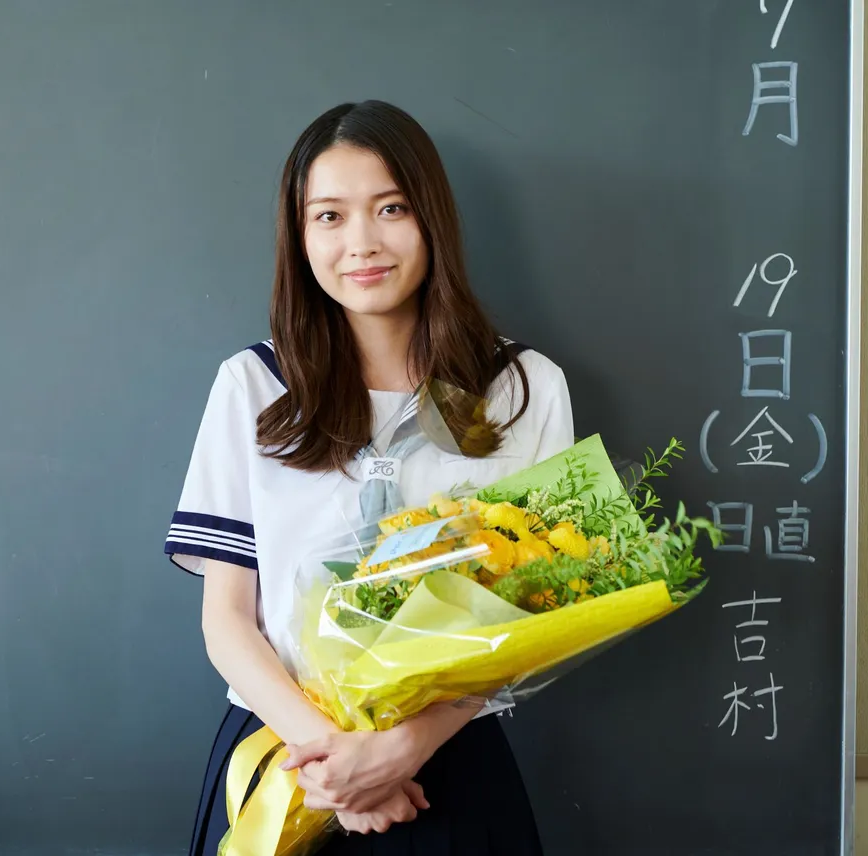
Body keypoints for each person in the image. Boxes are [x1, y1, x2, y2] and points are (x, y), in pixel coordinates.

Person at [165, 100, 575, 855]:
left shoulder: (522, 387)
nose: (361, 243)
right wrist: (334, 760)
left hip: (451, 764)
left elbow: (533, 617)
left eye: (390, 208)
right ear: (300, 234)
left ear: (433, 220)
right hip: (285, 757)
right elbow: (226, 618)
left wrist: (400, 750)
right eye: (329, 216)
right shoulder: (255, 385)